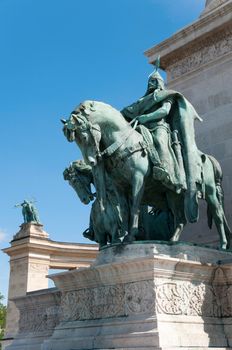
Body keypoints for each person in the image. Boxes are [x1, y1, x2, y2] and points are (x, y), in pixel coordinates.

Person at [121, 64, 203, 223]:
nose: (151, 84)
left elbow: (164, 112)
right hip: (141, 129)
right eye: (150, 81)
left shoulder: (166, 95)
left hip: (159, 127)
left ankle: (167, 171)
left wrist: (146, 117)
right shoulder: (142, 100)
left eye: (154, 81)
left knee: (160, 143)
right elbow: (127, 111)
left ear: (160, 83)